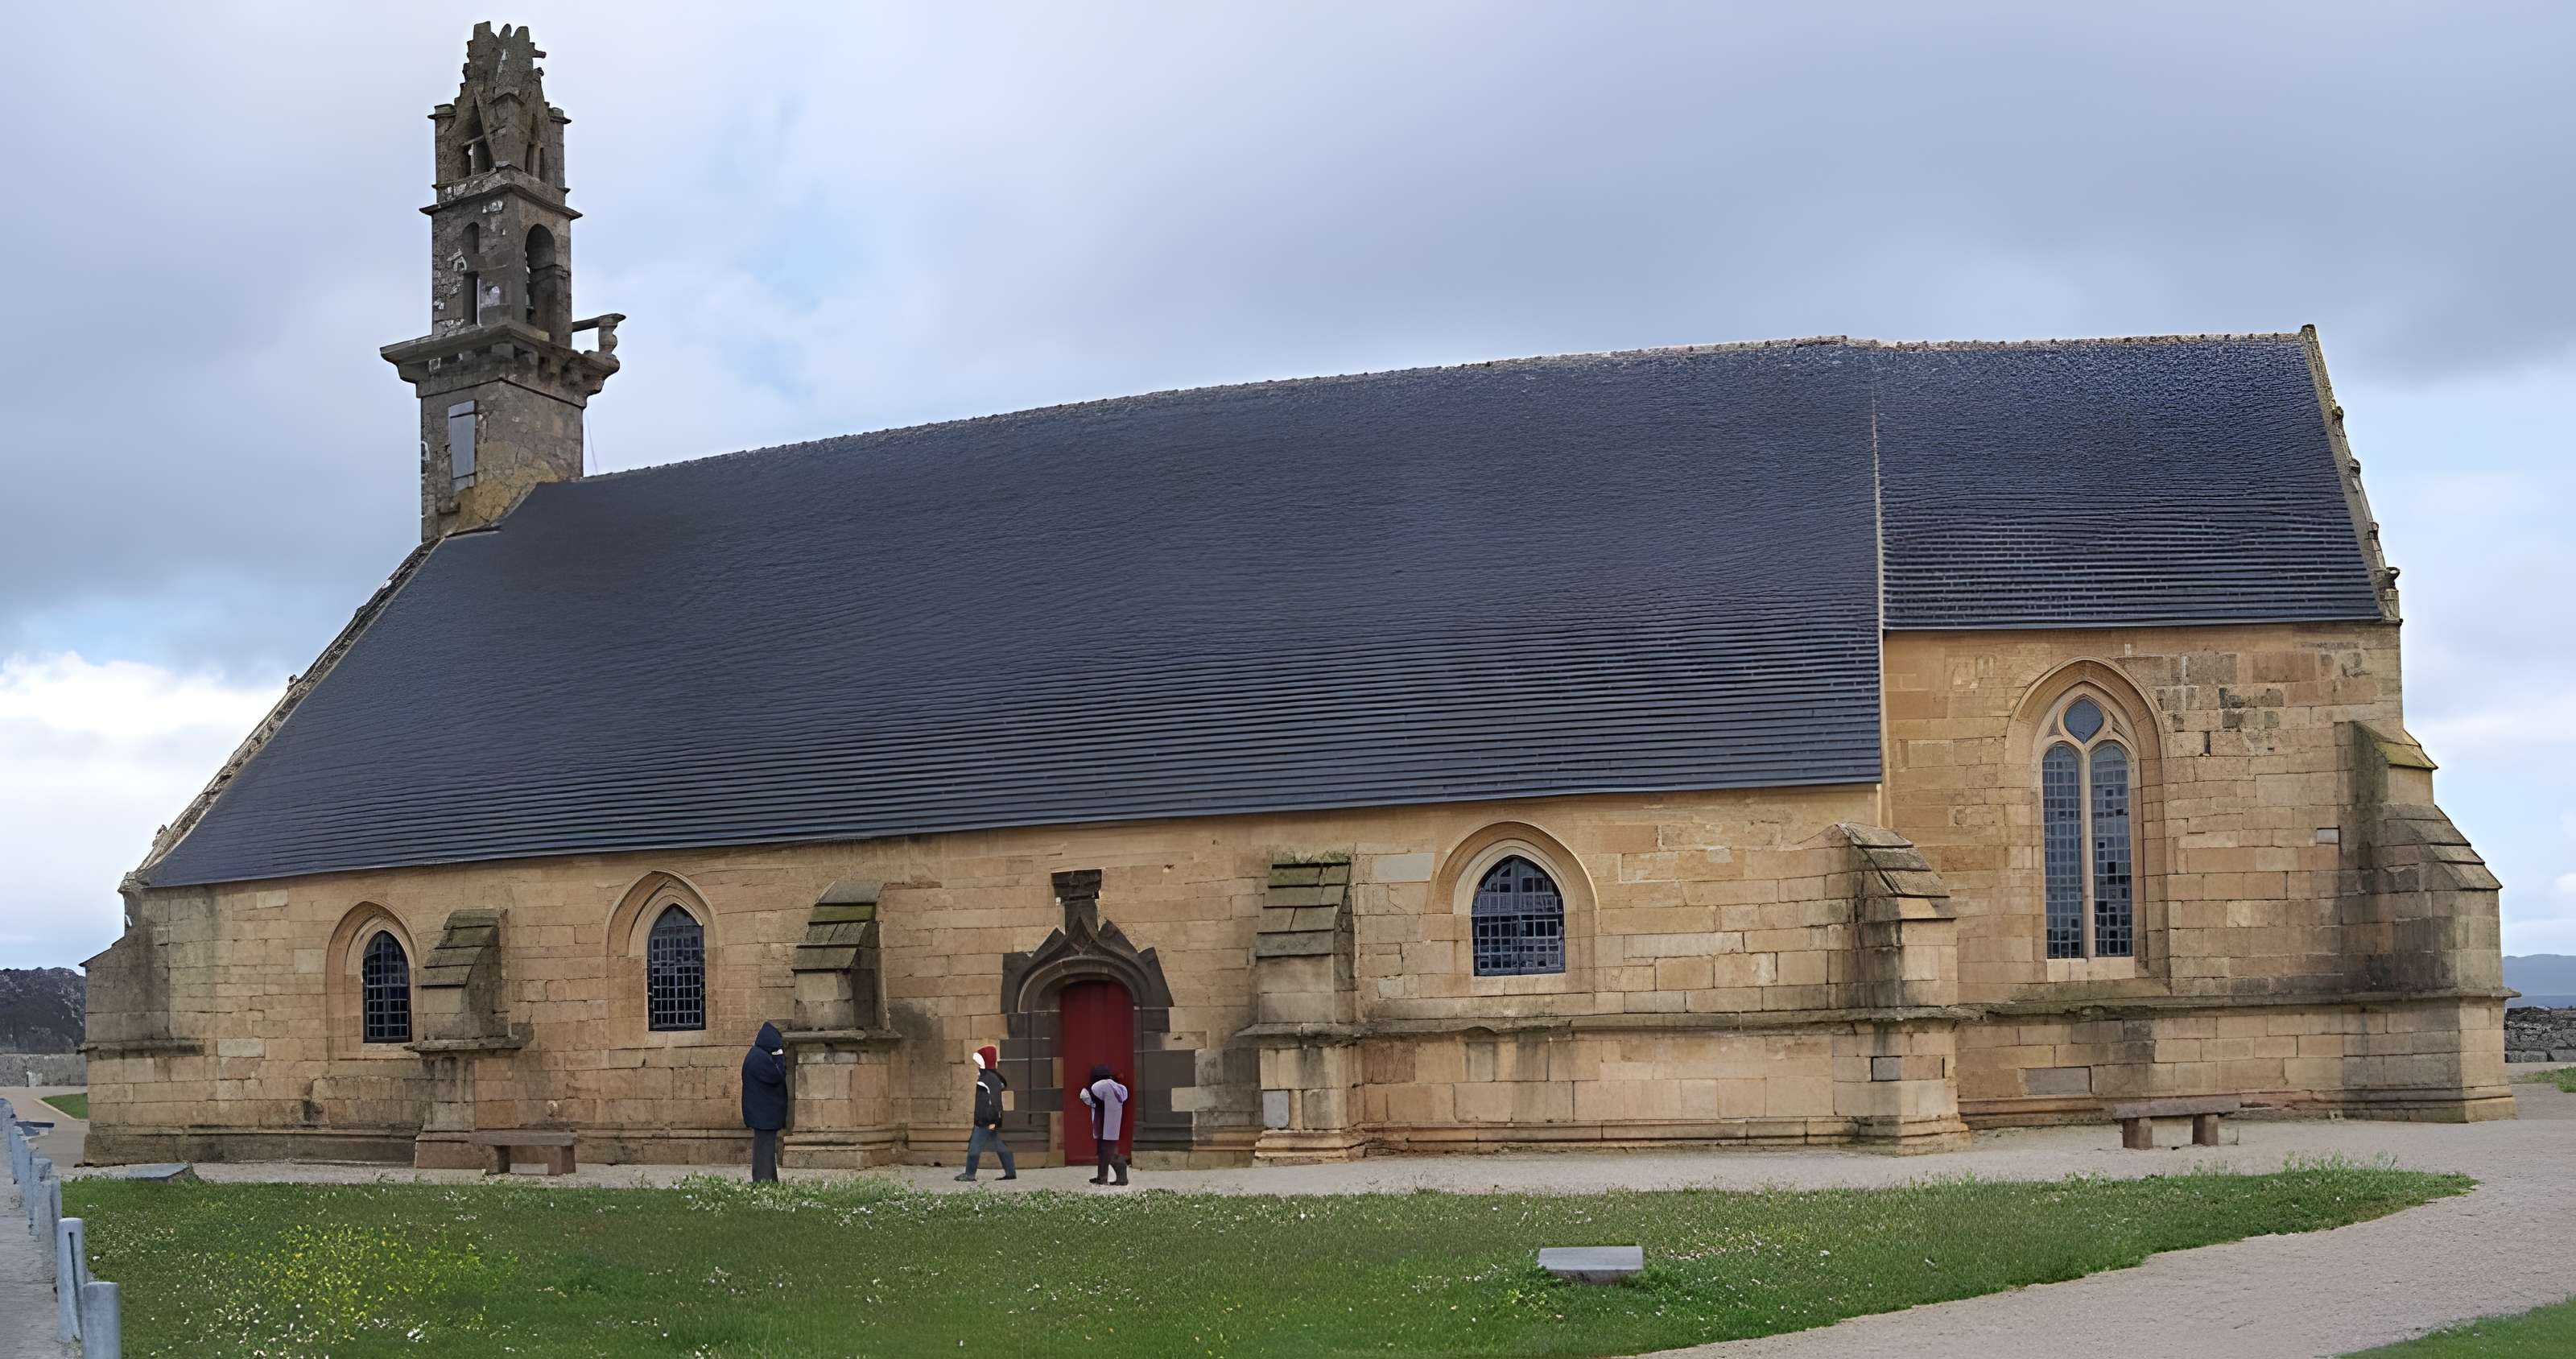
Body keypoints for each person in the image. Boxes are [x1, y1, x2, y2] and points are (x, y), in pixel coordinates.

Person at [954, 1044, 1017, 1182]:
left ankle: (970, 1174)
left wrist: (993, 1121)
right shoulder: (989, 1077)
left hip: (985, 1121)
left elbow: (994, 1102)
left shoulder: (988, 1079)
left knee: (974, 1147)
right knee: (999, 1146)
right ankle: (1011, 1173)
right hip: (988, 1120)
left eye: (979, 1061)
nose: (977, 1065)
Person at [740, 1020, 787, 1182]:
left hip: (762, 1113)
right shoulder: (760, 1058)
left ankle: (769, 1180)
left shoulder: (756, 1055)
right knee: (764, 1150)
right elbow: (777, 1077)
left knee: (765, 1149)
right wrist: (779, 1058)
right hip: (763, 1114)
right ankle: (763, 1181)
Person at [1077, 1062, 1129, 1187]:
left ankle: (1121, 1176)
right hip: (1112, 1123)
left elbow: (1086, 1096)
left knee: (1107, 1151)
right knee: (1104, 1150)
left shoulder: (1100, 1085)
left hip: (1103, 1121)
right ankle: (1102, 1177)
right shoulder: (1119, 1087)